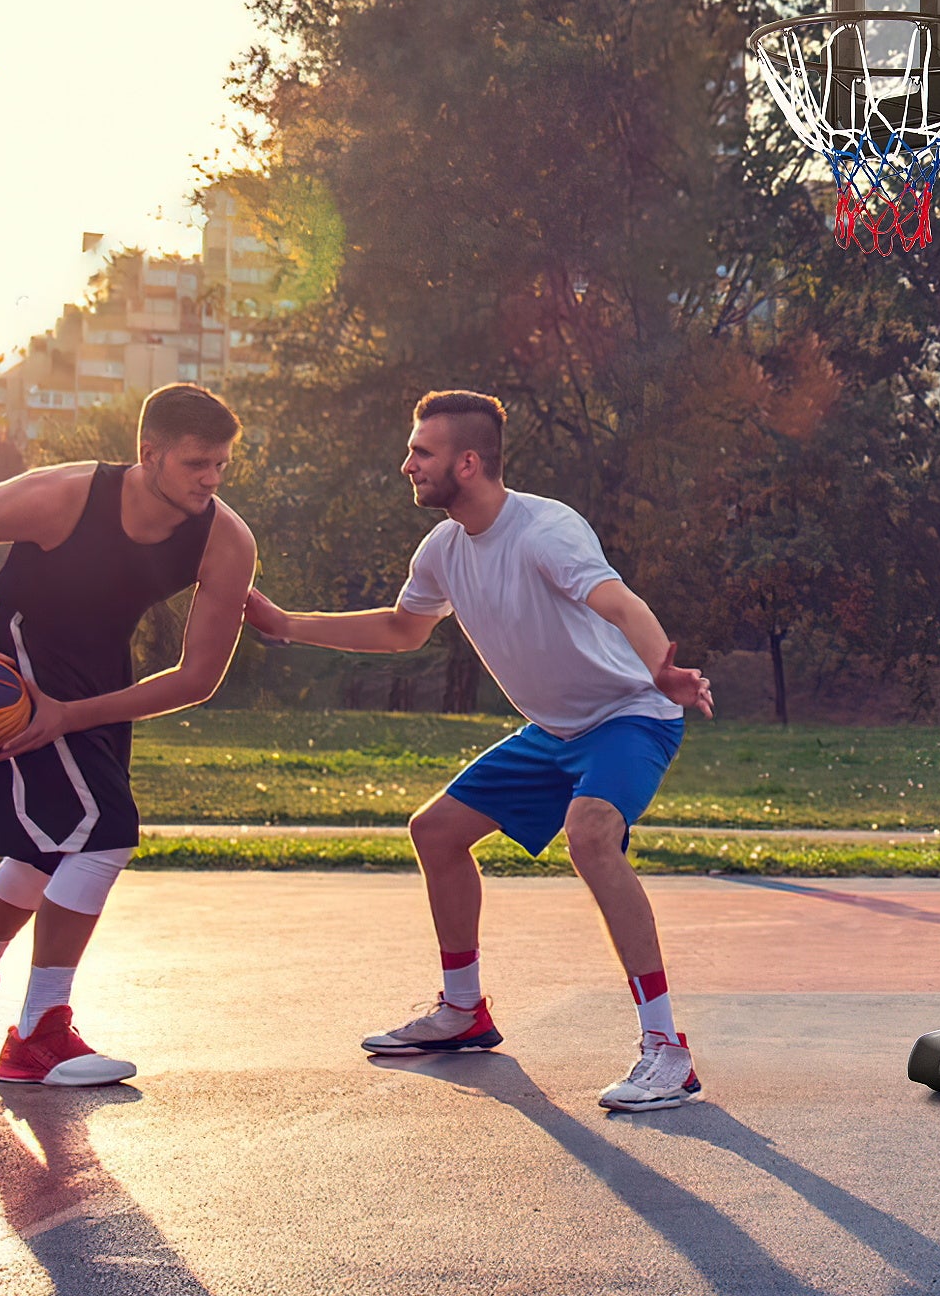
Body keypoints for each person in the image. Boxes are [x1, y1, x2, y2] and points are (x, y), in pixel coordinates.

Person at [243, 389, 714, 1112]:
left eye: (421, 453)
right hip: (553, 732)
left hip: (630, 714)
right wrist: (287, 625)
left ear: (467, 462)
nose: (407, 465)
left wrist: (661, 669)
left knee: (589, 837)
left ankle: (666, 1051)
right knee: (435, 831)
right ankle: (463, 1010)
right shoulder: (443, 549)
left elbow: (620, 604)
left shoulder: (545, 530)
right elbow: (404, 630)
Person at [0, 383, 257, 1084]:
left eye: (221, 463)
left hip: (97, 671)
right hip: (15, 651)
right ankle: (38, 1034)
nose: (211, 479)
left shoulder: (225, 538)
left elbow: (197, 677)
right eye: (196, 463)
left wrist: (74, 713)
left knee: (52, 844)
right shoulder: (66, 496)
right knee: (104, 831)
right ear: (149, 453)